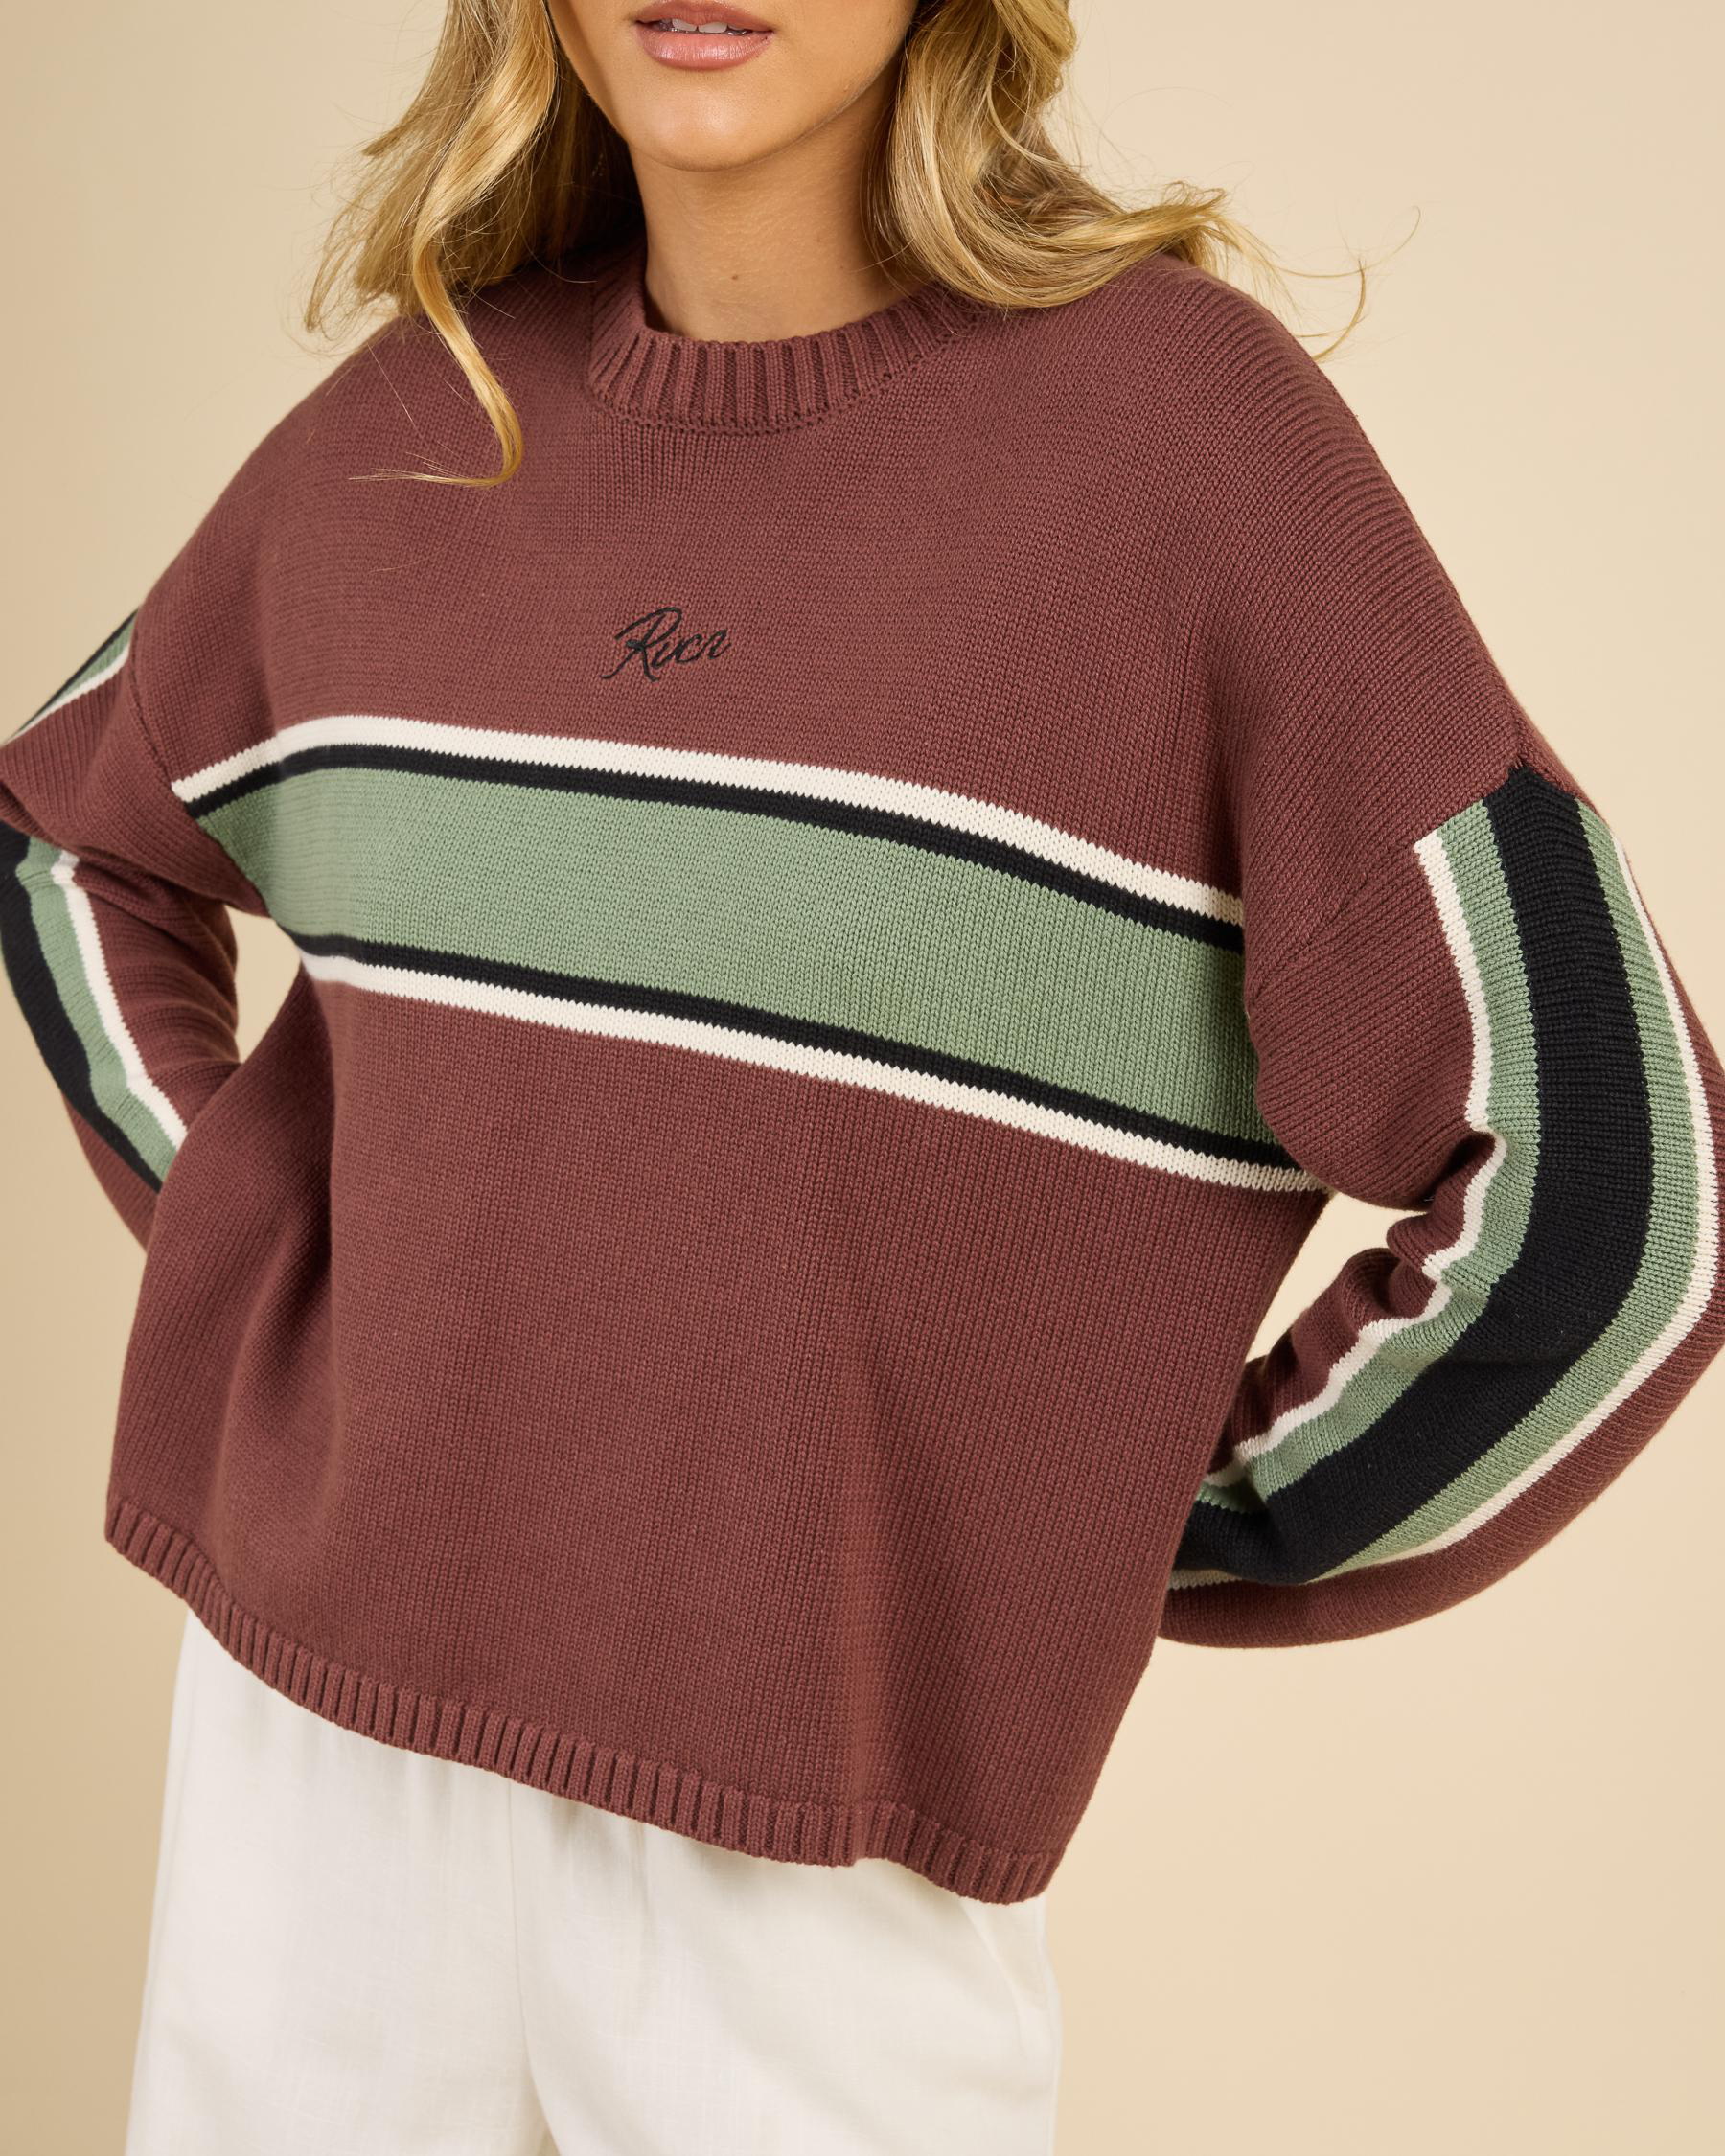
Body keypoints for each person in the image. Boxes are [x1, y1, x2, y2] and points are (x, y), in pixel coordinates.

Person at [2, 2, 1721, 2151]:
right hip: (306, 1772)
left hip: (800, 1854)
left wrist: (1100, 1531)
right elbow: (66, 828)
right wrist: (271, 1274)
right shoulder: (420, 420)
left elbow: (1622, 1195)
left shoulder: (1185, 446)